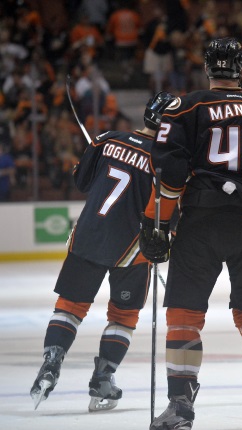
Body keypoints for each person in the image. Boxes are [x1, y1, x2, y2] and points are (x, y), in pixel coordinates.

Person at [139, 37, 242, 430]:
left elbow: (170, 173)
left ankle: (181, 408)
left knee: (185, 313)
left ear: (207, 70)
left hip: (202, 220)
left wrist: (158, 223)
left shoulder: (186, 105)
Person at [29, 91, 176, 411]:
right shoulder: (167, 162)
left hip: (88, 237)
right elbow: (169, 214)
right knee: (123, 317)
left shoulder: (107, 138)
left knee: (68, 308)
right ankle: (103, 379)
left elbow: (81, 182)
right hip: (132, 250)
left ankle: (51, 363)